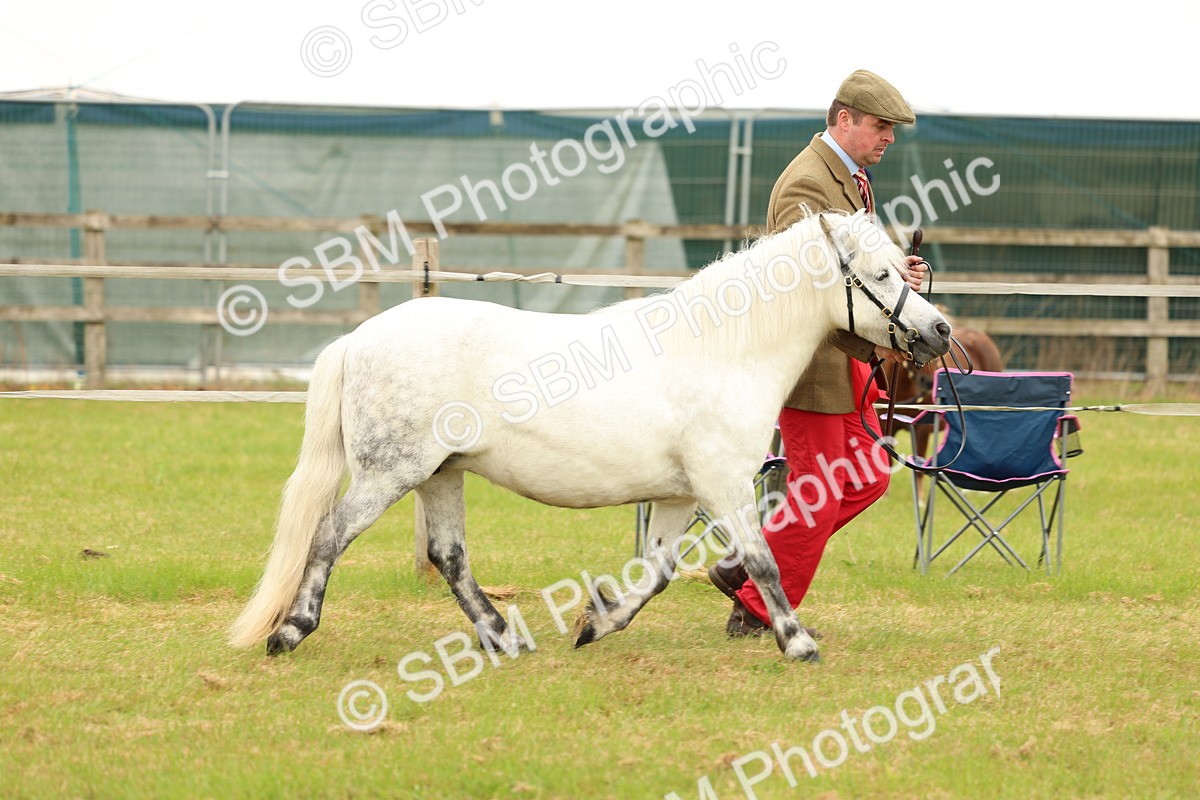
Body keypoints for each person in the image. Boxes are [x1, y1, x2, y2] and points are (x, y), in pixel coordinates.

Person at [708, 70, 927, 636]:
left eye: (893, 130)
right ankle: (759, 608)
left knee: (870, 478)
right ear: (844, 119)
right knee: (821, 493)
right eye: (881, 127)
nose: (889, 139)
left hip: (847, 363)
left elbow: (852, 271)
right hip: (812, 367)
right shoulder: (807, 185)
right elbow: (802, 290)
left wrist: (899, 279)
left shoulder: (849, 179)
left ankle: (743, 567)